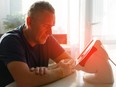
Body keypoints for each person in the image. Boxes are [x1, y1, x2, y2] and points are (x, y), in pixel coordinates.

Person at [0, 1, 76, 87]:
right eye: (46, 26)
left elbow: (70, 61)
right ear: (29, 22)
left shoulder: (47, 38)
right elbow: (25, 81)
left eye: (51, 27)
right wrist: (61, 71)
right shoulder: (10, 40)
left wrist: (49, 69)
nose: (50, 32)